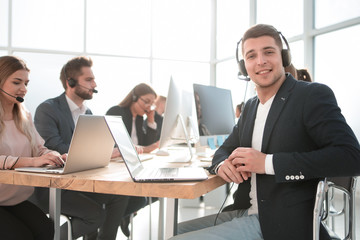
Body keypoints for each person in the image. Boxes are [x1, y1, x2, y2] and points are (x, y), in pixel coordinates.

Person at [171, 24, 360, 240]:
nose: (260, 61)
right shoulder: (251, 107)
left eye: (268, 52)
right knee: (167, 231)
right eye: (251, 56)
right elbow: (224, 150)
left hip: (283, 223)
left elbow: (351, 157)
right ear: (244, 67)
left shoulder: (310, 96)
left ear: (283, 57)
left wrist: (268, 163)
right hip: (246, 212)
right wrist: (223, 164)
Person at [29, 56, 137, 240]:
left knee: (120, 194)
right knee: (96, 215)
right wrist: (100, 154)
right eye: (89, 79)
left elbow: (87, 148)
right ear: (69, 82)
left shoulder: (87, 113)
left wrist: (104, 152)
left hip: (78, 182)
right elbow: (53, 147)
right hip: (53, 186)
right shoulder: (48, 109)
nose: (94, 84)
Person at [0, 55, 64, 239]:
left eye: (26, 83)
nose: (24, 89)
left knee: (46, 229)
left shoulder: (24, 115)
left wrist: (53, 155)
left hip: (13, 199)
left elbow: (39, 149)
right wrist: (33, 161)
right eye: (17, 82)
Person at [106, 83, 160, 153]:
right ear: (135, 98)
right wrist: (148, 148)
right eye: (147, 101)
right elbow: (117, 146)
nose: (149, 107)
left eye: (151, 104)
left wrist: (150, 120)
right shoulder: (116, 112)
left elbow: (146, 144)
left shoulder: (139, 118)